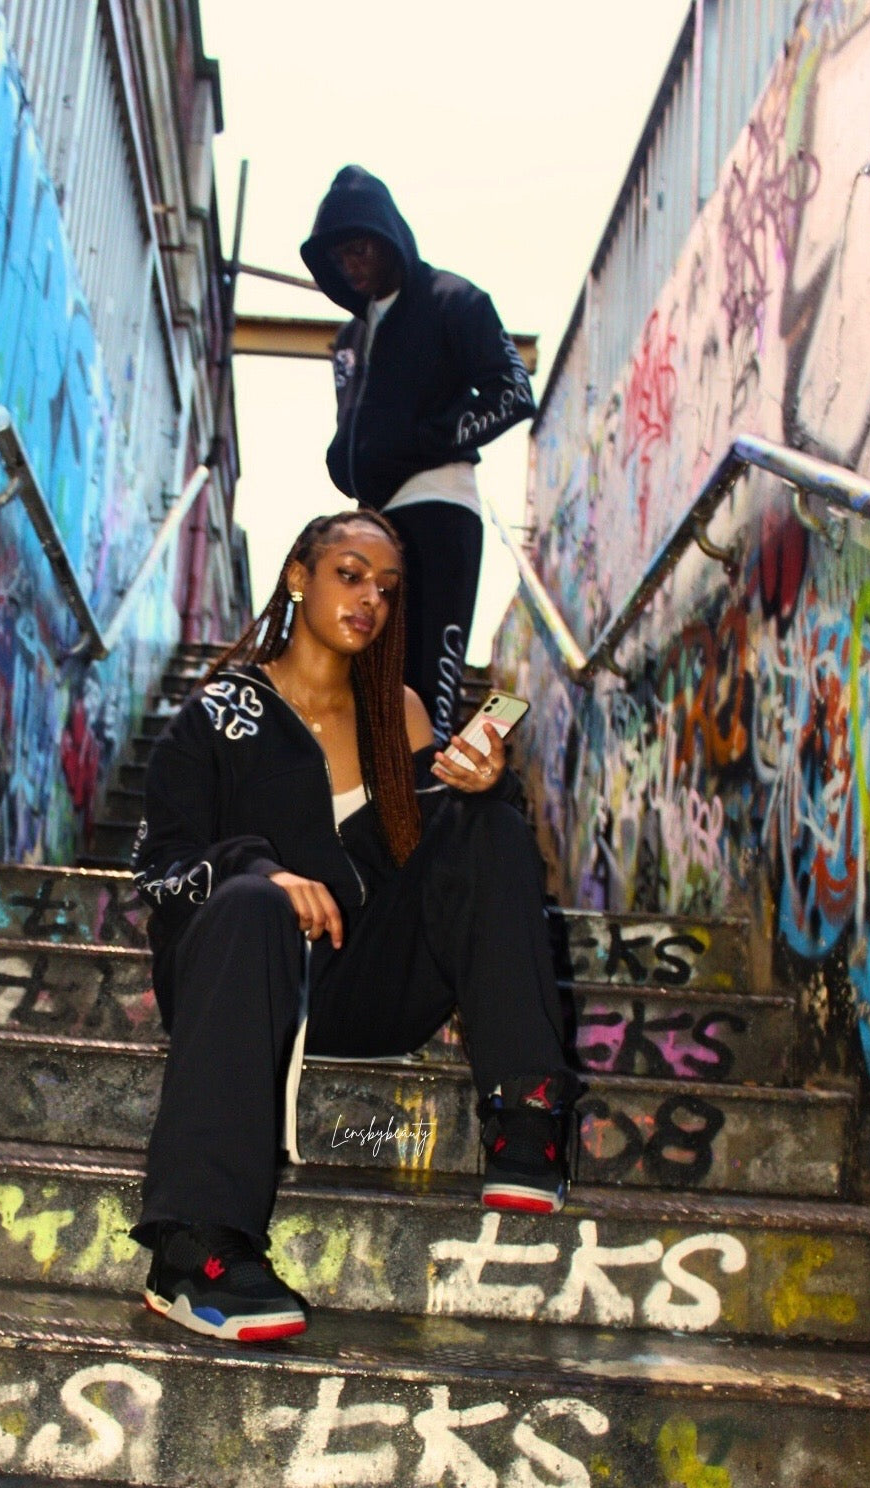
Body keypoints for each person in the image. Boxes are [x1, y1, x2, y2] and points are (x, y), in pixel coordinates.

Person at [129, 510, 576, 1343]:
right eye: (349, 573)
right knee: (254, 901)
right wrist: (262, 871)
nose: (370, 597)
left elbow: (438, 863)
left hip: (366, 981)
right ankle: (192, 1246)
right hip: (244, 983)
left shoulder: (397, 714)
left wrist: (484, 788)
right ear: (299, 576)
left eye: (387, 588)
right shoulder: (220, 712)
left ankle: (525, 1109)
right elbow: (160, 861)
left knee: (486, 824)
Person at [301, 165, 536, 746]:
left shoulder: (451, 299)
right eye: (339, 258)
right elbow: (354, 430)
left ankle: (433, 791)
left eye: (361, 249)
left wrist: (426, 438)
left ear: (390, 240)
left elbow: (513, 392)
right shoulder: (351, 340)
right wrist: (343, 458)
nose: (351, 265)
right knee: (369, 678)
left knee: (430, 685)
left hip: (439, 505)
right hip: (373, 522)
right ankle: (376, 794)